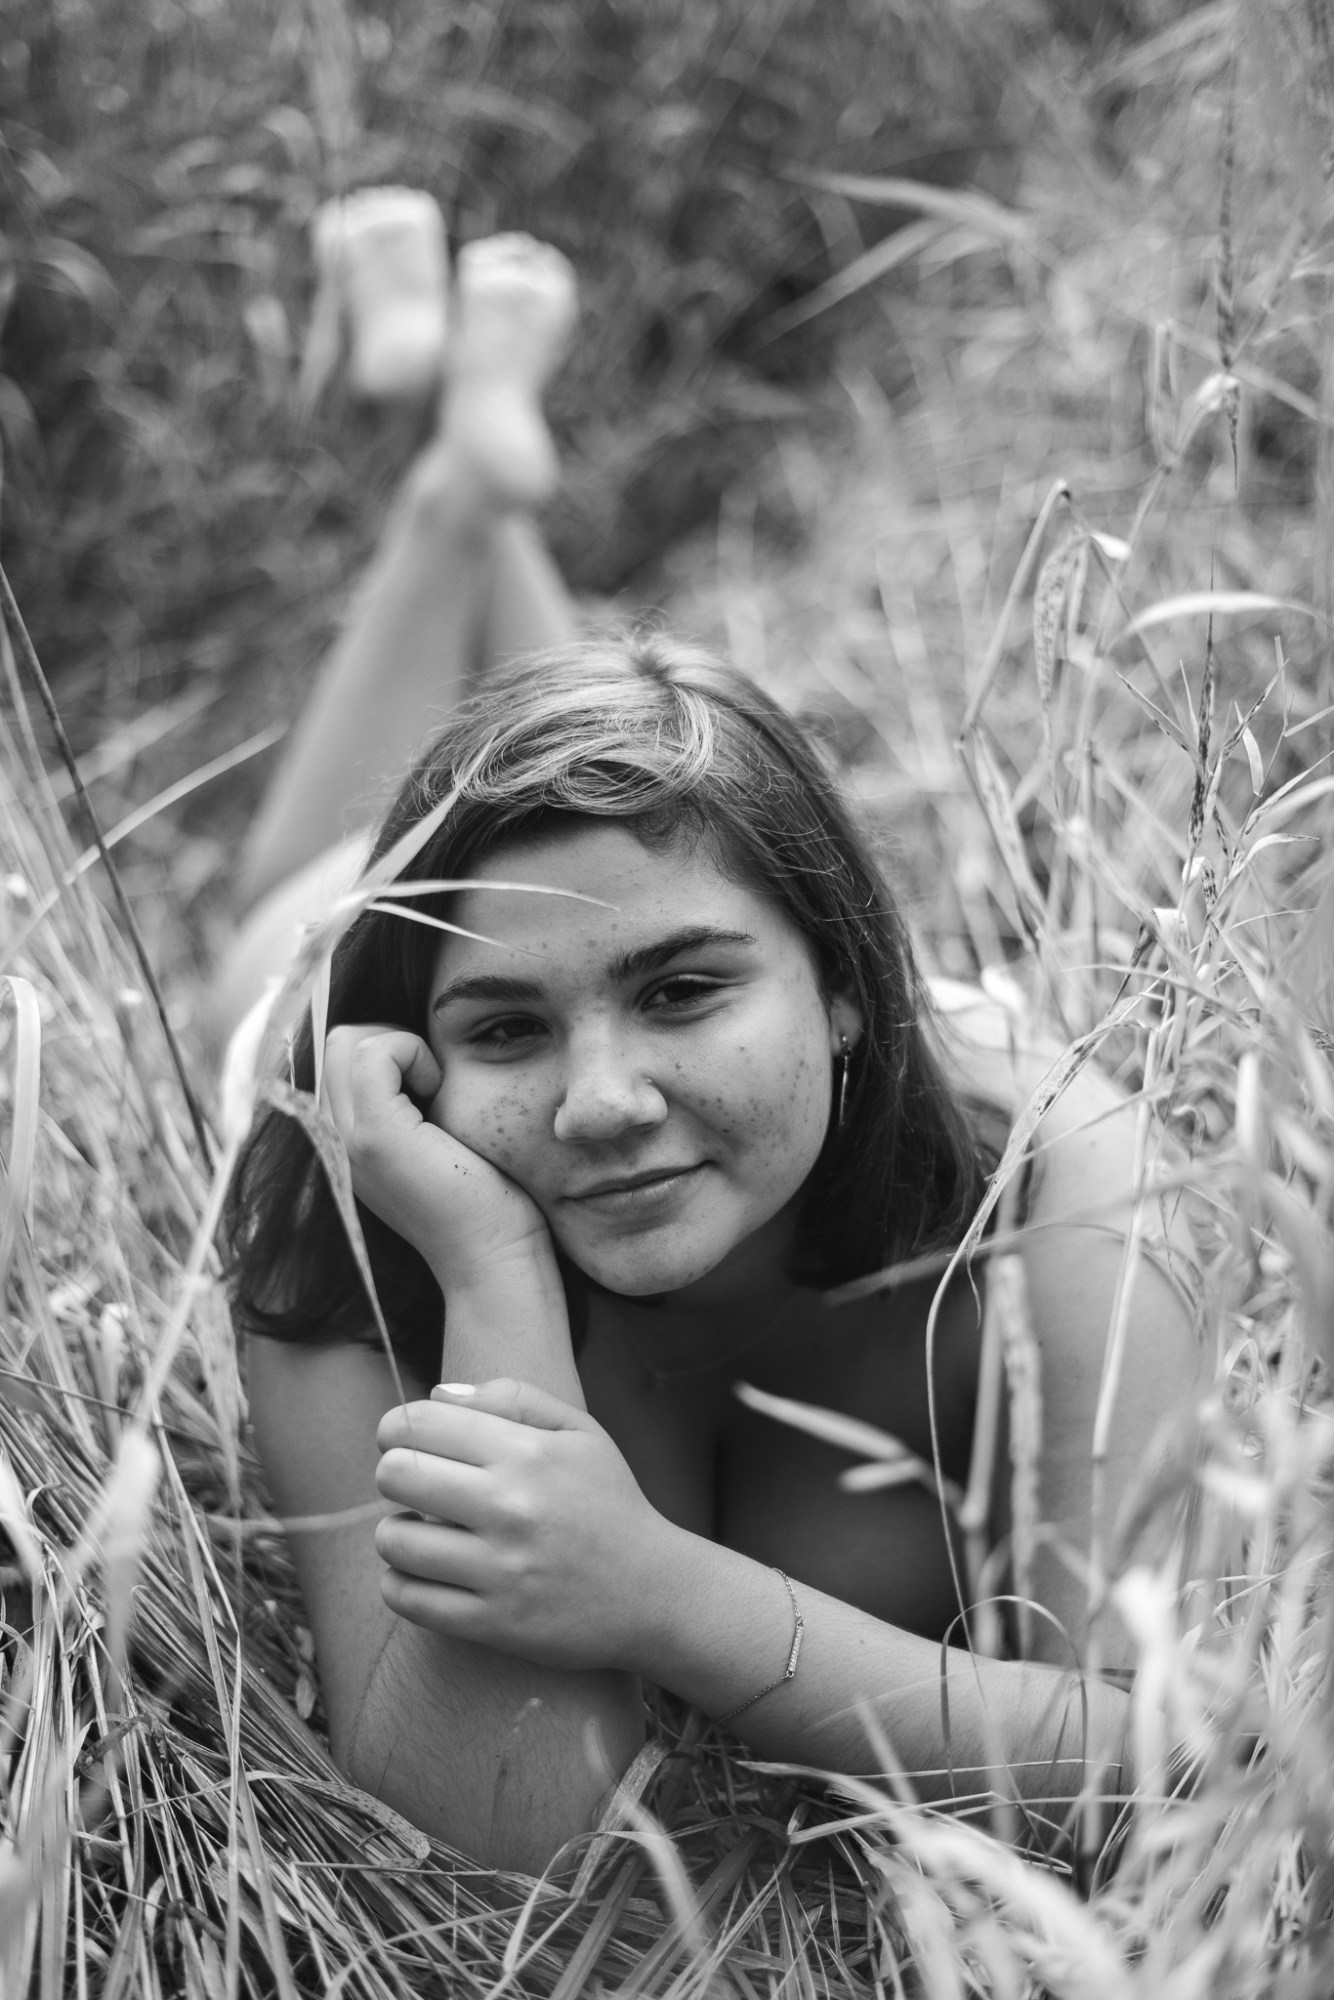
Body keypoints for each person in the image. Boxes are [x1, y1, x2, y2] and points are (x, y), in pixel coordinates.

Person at [219, 213, 1201, 1876]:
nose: (602, 1103)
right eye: (506, 1031)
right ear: (423, 1050)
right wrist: (489, 1271)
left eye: (683, 993)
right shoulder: (341, 1194)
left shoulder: (1061, 1178)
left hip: (569, 905)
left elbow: (1173, 1758)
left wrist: (659, 1595)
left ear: (847, 985)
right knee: (292, 896)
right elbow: (488, 1846)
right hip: (337, 927)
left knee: (625, 770)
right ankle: (458, 480)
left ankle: (460, 457)